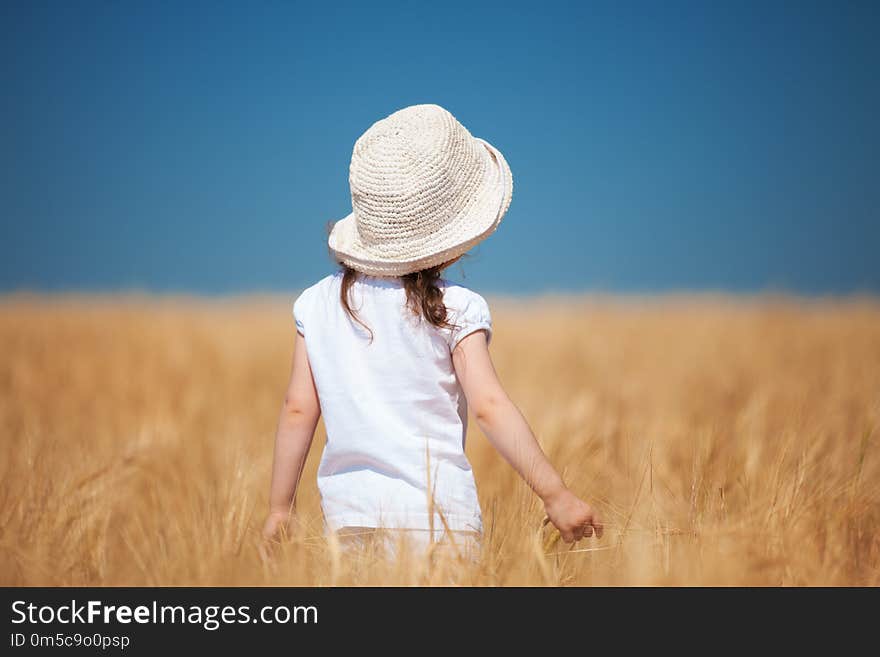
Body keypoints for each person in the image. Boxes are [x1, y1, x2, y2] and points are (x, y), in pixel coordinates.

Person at [262, 104, 602, 561]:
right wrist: (555, 493)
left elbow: (299, 408)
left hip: (350, 523)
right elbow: (488, 406)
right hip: (442, 523)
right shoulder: (456, 309)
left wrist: (280, 507)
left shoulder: (317, 305)